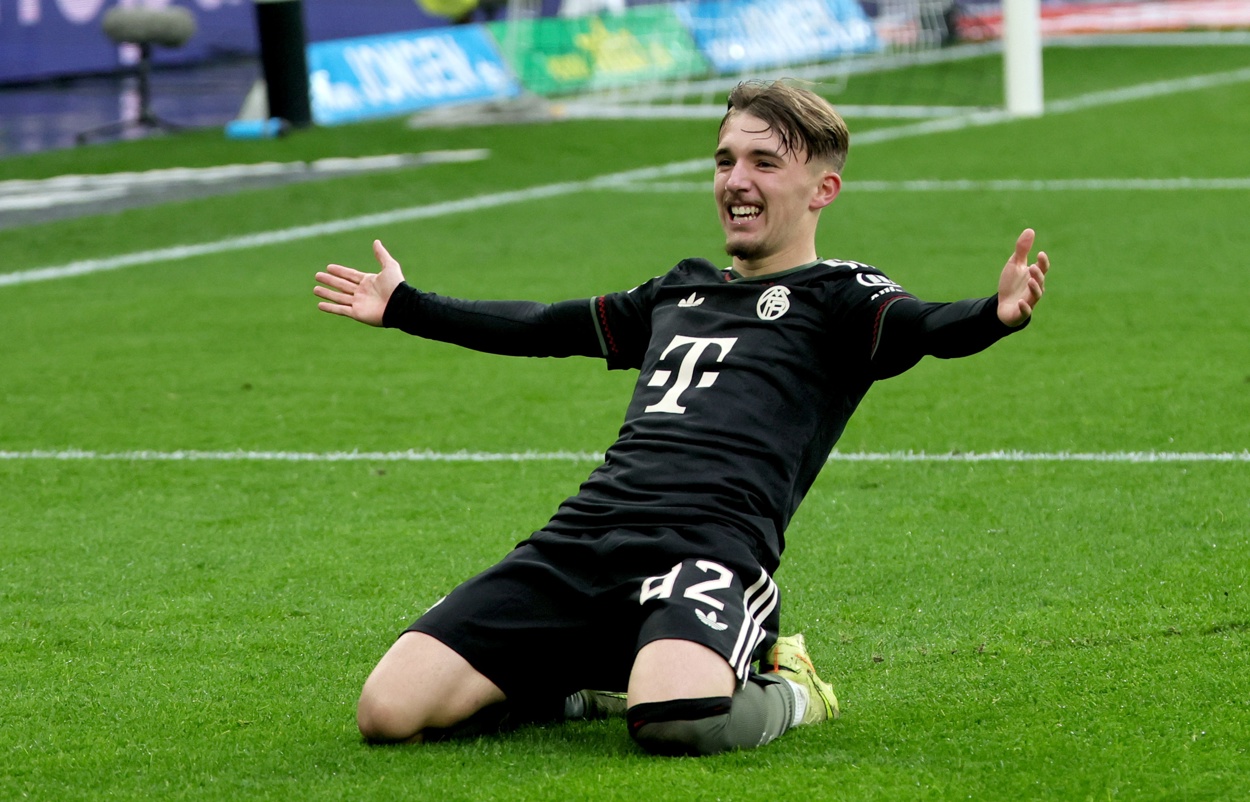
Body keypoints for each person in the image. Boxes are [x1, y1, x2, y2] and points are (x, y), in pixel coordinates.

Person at [313, 79, 1049, 756]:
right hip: (584, 541)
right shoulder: (679, 290)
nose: (737, 180)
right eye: (726, 160)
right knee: (388, 713)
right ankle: (589, 681)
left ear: (823, 188)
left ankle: (792, 687)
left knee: (678, 719)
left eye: (764, 162)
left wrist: (993, 315)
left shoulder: (843, 297)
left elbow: (924, 326)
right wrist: (406, 305)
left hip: (708, 551)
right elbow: (544, 326)